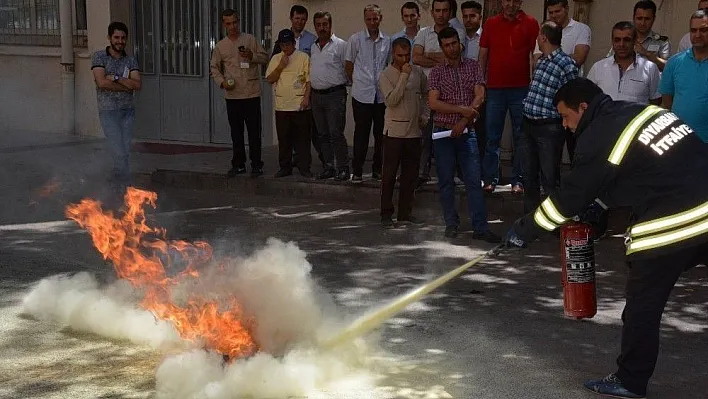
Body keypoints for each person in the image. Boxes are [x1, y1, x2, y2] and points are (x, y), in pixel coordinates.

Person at [504, 77, 708, 399]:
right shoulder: (636, 113)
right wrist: (599, 204)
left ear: (583, 108)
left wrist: (523, 230)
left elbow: (569, 198)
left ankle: (630, 380)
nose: (565, 125)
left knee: (642, 305)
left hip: (679, 218)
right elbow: (642, 170)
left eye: (565, 116)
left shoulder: (597, 136)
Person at [428, 27, 501, 243]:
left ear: (460, 43)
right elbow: (433, 102)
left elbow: (480, 95)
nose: (452, 48)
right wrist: (461, 110)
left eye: (454, 43)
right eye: (447, 45)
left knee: (473, 180)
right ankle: (451, 223)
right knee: (446, 180)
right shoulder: (437, 72)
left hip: (466, 131)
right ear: (442, 47)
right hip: (443, 132)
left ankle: (480, 227)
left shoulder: (472, 66)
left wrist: (463, 121)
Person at [478, 0, 540, 195]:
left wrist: (533, 84)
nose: (510, 4)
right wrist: (481, 83)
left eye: (514, 0)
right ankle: (490, 179)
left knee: (521, 136)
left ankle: (518, 180)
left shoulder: (531, 23)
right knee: (492, 136)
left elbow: (535, 55)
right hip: (495, 88)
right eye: (506, 0)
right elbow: (483, 55)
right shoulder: (490, 23)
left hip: (521, 88)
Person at [521, 21, 578, 213]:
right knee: (528, 175)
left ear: (543, 37)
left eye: (539, 35)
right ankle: (531, 218)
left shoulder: (566, 63)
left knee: (549, 177)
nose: (537, 38)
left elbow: (572, 96)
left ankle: (553, 219)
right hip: (529, 124)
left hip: (549, 128)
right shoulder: (543, 60)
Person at [412, 0, 466, 187]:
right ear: (432, 12)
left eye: (444, 10)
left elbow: (454, 56)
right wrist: (441, 57)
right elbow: (416, 57)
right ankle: (422, 173)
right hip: (427, 93)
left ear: (449, 12)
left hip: (452, 94)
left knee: (453, 134)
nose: (441, 14)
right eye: (437, 10)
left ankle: (455, 174)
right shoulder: (423, 33)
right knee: (425, 134)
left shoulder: (457, 33)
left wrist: (429, 54)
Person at [210, 9, 269, 178]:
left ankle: (257, 164)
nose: (233, 26)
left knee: (254, 132)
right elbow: (214, 68)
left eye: (235, 22)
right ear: (224, 25)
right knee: (236, 132)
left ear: (239, 21)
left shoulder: (250, 39)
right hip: (233, 95)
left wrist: (252, 56)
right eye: (229, 23)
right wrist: (221, 82)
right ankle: (239, 164)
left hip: (251, 93)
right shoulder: (221, 46)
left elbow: (265, 58)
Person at [378, 38, 428, 228]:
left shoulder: (418, 72)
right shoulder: (386, 75)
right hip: (394, 132)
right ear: (393, 54)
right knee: (389, 175)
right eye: (400, 55)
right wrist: (403, 77)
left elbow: (426, 93)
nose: (404, 59)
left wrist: (425, 115)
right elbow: (392, 100)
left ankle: (405, 213)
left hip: (414, 132)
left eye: (407, 55)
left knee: (410, 175)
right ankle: (385, 213)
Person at [91, 22, 141, 196]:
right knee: (118, 150)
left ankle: (121, 186)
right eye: (116, 37)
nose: (120, 41)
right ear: (109, 38)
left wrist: (117, 78)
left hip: (127, 112)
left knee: (125, 150)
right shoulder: (99, 57)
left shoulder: (130, 60)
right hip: (108, 112)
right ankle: (121, 184)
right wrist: (126, 86)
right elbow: (101, 82)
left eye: (123, 38)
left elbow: (137, 84)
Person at [345, 4, 391, 183]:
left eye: (375, 18)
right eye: (369, 19)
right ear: (365, 20)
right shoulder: (355, 39)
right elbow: (348, 66)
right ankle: (357, 171)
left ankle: (377, 170)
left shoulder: (387, 40)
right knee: (361, 134)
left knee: (381, 135)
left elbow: (388, 66)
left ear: (381, 19)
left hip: (381, 96)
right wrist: (358, 81)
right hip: (361, 95)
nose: (372, 22)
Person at [266, 29, 312, 178]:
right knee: (284, 139)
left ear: (294, 43)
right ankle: (285, 167)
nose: (285, 48)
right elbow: (270, 79)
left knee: (302, 140)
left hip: (299, 105)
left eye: (288, 44)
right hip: (282, 106)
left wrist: (306, 98)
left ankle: (304, 167)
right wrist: (280, 66)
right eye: (282, 45)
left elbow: (309, 80)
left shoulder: (303, 57)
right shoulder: (276, 59)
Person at [310, 11, 351, 181]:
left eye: (324, 24)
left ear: (330, 25)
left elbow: (348, 68)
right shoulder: (313, 46)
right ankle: (329, 167)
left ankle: (343, 168)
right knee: (322, 134)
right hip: (316, 96)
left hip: (335, 95)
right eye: (318, 25)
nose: (322, 28)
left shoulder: (341, 45)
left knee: (336, 133)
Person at [660, 8, 708, 143]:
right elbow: (667, 100)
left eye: (703, 30)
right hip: (679, 141)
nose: (697, 34)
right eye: (693, 30)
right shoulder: (674, 62)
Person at [587, 21, 661, 105]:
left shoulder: (650, 69)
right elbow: (587, 99)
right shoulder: (598, 68)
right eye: (617, 40)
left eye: (627, 40)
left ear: (635, 41)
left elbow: (655, 102)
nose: (621, 44)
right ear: (612, 41)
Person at [607, 0, 670, 71]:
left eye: (647, 19)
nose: (643, 23)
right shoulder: (623, 39)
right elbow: (608, 62)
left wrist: (646, 53)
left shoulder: (661, 41)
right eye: (639, 18)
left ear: (654, 19)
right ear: (633, 18)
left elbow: (668, 67)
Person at [460, 1, 485, 156]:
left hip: (480, 90)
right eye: (465, 16)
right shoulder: (458, 37)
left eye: (472, 16)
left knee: (482, 133)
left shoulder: (485, 38)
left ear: (480, 17)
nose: (468, 19)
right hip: (460, 92)